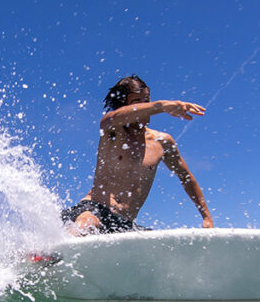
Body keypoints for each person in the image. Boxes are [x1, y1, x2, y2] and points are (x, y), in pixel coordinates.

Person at [62, 75, 214, 234]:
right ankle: (53, 251)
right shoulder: (112, 131)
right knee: (88, 223)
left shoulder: (162, 142)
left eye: (147, 100)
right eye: (137, 102)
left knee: (159, 244)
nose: (145, 107)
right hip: (94, 209)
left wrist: (206, 217)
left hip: (124, 223)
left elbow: (186, 177)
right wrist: (161, 106)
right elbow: (115, 117)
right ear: (124, 105)